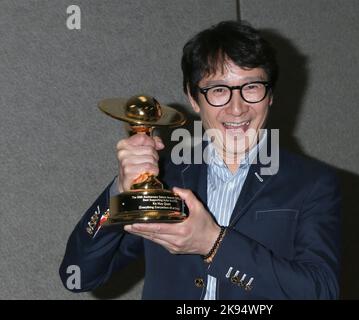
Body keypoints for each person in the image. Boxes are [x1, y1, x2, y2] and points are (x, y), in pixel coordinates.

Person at [60, 20, 341, 299]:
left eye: (252, 86)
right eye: (218, 90)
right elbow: (79, 275)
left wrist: (213, 243)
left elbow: (322, 292)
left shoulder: (313, 183)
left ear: (270, 95)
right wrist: (119, 190)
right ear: (193, 99)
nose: (237, 107)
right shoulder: (163, 177)